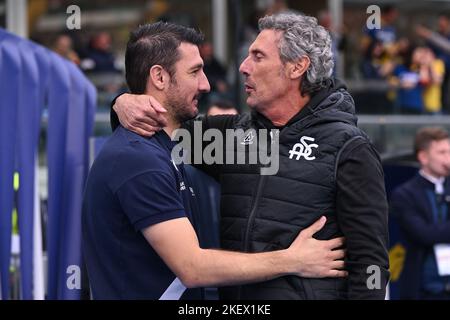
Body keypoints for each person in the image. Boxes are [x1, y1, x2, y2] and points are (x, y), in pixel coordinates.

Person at [112, 13, 389, 299]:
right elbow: (161, 123)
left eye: (258, 57)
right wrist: (123, 103)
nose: (244, 67)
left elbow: (370, 265)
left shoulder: (349, 147)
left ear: (297, 66)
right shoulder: (231, 138)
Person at [390, 127, 450, 300]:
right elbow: (422, 234)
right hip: (422, 288)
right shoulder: (404, 194)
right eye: (442, 152)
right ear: (423, 157)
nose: (448, 158)